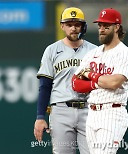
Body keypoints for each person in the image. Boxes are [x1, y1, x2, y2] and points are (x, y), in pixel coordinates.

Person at [72, 8, 128, 154]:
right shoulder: (93, 53)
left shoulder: (124, 53)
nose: (101, 29)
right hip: (92, 113)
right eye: (100, 25)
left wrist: (91, 75)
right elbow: (75, 83)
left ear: (117, 27)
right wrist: (97, 82)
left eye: (106, 26)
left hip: (112, 112)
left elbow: (114, 82)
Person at [33, 7, 97, 154]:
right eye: (69, 24)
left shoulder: (94, 51)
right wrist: (40, 116)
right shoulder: (52, 50)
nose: (73, 28)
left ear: (83, 26)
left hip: (89, 109)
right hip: (61, 110)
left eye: (77, 24)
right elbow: (44, 86)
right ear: (62, 26)